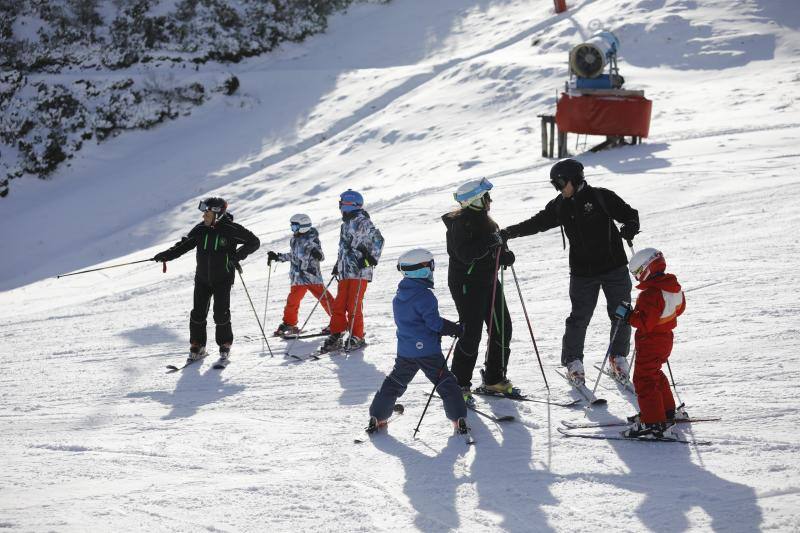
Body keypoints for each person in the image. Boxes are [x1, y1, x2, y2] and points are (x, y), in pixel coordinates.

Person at [501, 159, 639, 386]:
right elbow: (538, 222)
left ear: (575, 179)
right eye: (555, 185)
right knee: (579, 318)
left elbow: (629, 213)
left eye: (561, 183)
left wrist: (631, 226)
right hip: (583, 273)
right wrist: (510, 232)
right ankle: (573, 362)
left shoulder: (601, 197)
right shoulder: (560, 205)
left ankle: (618, 357)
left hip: (614, 267)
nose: (559, 188)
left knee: (621, 313)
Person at [367, 248, 468, 435]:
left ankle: (378, 416)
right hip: (428, 352)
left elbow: (412, 322)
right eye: (431, 266)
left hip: (406, 351)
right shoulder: (425, 296)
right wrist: (455, 329)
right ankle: (458, 418)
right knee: (446, 382)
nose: (432, 270)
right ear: (422, 269)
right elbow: (434, 323)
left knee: (395, 381)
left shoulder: (399, 296)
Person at [153, 197, 260, 363]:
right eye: (204, 213)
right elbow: (183, 245)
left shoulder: (230, 229)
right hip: (202, 278)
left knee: (220, 313)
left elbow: (254, 242)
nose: (204, 217)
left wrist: (236, 257)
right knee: (198, 313)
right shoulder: (200, 229)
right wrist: (166, 255)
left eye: (207, 213)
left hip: (223, 278)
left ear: (217, 214)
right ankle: (198, 345)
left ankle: (224, 344)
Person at [442, 177, 516, 407]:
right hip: (467, 285)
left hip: (489, 280)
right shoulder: (458, 225)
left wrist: (503, 255)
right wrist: (490, 243)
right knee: (471, 332)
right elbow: (466, 255)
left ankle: (494, 378)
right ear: (476, 201)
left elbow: (494, 248)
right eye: (486, 197)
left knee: (502, 326)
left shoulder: (488, 222)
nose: (490, 200)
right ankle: (459, 383)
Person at [620, 247, 687, 438]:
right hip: (665, 339)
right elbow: (680, 309)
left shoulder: (651, 294)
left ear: (647, 269)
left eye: (638, 273)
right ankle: (665, 412)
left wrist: (628, 316)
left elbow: (644, 323)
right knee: (654, 375)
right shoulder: (673, 287)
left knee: (644, 380)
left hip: (650, 341)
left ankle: (654, 422)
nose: (637, 278)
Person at [320, 189, 384, 352]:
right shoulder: (345, 224)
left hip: (360, 271)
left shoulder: (363, 221)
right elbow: (343, 248)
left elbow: (379, 240)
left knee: (353, 304)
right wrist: (338, 264)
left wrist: (370, 259)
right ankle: (337, 333)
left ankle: (357, 335)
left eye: (341, 203)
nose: (340, 206)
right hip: (345, 271)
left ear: (350, 204)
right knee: (339, 305)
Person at [267, 214, 333, 338]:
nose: (293, 229)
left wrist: (317, 253)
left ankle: (338, 321)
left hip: (311, 275)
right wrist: (278, 257)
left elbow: (321, 256)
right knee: (292, 300)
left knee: (325, 299)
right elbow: (294, 255)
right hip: (297, 277)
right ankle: (289, 323)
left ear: (303, 226)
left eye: (295, 226)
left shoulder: (312, 238)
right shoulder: (294, 239)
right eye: (292, 226)